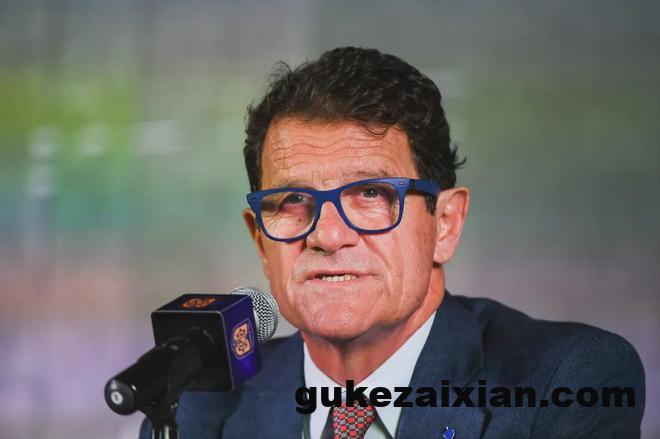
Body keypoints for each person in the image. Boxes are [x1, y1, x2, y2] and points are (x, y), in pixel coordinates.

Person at [139, 47, 645, 438]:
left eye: (371, 194)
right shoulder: (200, 409)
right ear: (259, 240)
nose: (327, 235)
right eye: (293, 200)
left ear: (445, 224)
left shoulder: (564, 381)